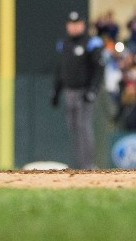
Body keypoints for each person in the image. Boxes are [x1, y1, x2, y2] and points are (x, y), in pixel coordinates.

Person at [51, 11, 105, 169]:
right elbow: (60, 69)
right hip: (69, 91)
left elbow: (99, 68)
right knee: (73, 127)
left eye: (77, 23)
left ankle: (88, 164)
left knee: (84, 126)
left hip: (84, 92)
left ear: (83, 24)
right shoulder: (64, 44)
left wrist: (93, 90)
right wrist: (56, 90)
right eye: (71, 24)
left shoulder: (91, 43)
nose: (74, 27)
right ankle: (78, 164)